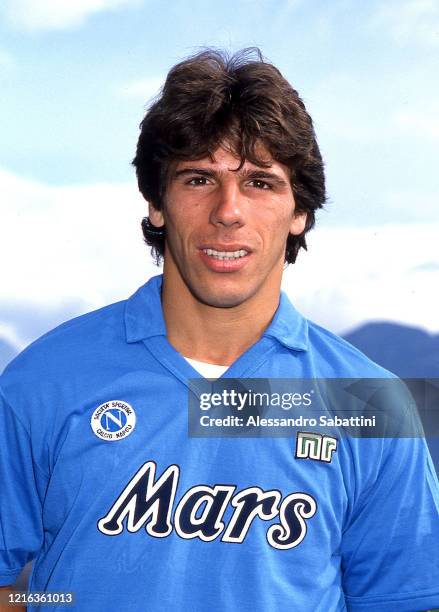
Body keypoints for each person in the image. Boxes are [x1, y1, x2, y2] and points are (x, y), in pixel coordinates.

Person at [0, 48, 438, 612]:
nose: (228, 210)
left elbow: (401, 600)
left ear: (299, 212)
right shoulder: (47, 378)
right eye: (199, 178)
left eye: (260, 182)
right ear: (157, 204)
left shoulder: (369, 402)